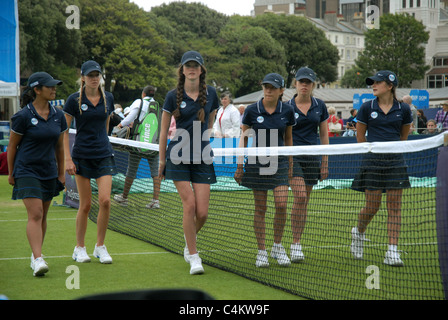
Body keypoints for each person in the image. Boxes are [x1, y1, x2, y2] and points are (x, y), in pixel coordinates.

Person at [158, 51, 219, 275]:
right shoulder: (172, 96)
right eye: (188, 66)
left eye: (196, 65)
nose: (192, 69)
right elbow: (164, 130)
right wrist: (162, 160)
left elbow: (209, 123)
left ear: (201, 70)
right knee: (190, 205)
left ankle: (188, 241)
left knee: (202, 213)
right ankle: (194, 256)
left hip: (202, 156)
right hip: (177, 156)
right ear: (182, 70)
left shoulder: (211, 94)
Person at [7, 72, 67, 276]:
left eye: (54, 86)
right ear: (37, 90)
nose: (53, 89)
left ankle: (35, 255)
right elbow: (12, 146)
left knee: (43, 215)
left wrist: (61, 173)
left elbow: (60, 147)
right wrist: (11, 172)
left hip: (49, 171)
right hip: (26, 170)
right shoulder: (23, 116)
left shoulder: (58, 115)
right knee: (36, 213)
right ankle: (39, 259)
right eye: (49, 86)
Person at [351, 70, 412, 266]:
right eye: (372, 83)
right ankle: (358, 232)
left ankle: (392, 251)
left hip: (395, 162)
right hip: (373, 162)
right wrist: (372, 154)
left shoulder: (403, 109)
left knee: (394, 206)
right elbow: (361, 137)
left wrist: (392, 152)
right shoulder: (366, 108)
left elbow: (403, 137)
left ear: (390, 85)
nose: (373, 85)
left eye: (377, 82)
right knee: (372, 206)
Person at [234, 73, 295, 268]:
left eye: (272, 87)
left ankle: (277, 246)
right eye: (266, 86)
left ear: (281, 91)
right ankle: (261, 251)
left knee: (282, 204)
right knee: (260, 208)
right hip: (256, 162)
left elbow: (288, 139)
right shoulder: (252, 110)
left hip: (280, 163)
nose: (268, 90)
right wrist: (239, 165)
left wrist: (291, 164)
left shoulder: (287, 110)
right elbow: (243, 137)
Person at [63, 60, 117, 264]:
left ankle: (100, 246)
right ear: (83, 77)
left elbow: (105, 125)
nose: (94, 78)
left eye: (97, 75)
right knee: (85, 205)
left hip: (104, 154)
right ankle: (79, 248)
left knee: (105, 200)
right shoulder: (73, 100)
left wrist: (102, 142)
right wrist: (68, 159)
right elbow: (64, 131)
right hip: (81, 156)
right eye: (90, 75)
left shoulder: (108, 98)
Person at [286, 67, 329, 262]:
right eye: (301, 81)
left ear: (313, 85)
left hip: (312, 158)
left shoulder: (320, 106)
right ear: (295, 83)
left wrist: (324, 162)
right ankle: (294, 244)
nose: (304, 85)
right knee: (300, 197)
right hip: (292, 157)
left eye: (308, 82)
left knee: (304, 202)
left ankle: (296, 244)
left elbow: (324, 134)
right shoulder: (286, 106)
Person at [113, 86, 161, 209]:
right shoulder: (156, 105)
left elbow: (129, 118)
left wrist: (118, 127)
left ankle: (124, 197)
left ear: (143, 94)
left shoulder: (139, 102)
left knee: (132, 169)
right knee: (155, 171)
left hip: (137, 143)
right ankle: (155, 200)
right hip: (153, 144)